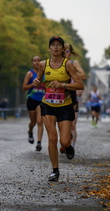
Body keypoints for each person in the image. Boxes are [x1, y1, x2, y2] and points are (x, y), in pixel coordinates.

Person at [33, 36, 84, 182]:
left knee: (64, 141)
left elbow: (80, 85)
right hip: (48, 104)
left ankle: (68, 147)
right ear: (49, 48)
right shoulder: (43, 64)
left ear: (62, 49)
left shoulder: (68, 65)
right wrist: (37, 81)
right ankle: (55, 170)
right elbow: (39, 80)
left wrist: (63, 85)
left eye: (58, 45)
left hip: (65, 105)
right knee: (52, 138)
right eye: (53, 45)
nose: (55, 47)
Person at [61, 43, 86, 150]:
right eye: (64, 51)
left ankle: (71, 145)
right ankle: (65, 143)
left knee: (72, 125)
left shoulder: (74, 63)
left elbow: (83, 76)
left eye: (68, 51)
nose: (66, 53)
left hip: (72, 95)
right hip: (61, 95)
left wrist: (72, 72)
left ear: (70, 53)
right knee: (62, 123)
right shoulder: (58, 63)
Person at [22, 56, 45, 151]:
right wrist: (33, 84)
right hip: (32, 99)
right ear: (32, 63)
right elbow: (23, 88)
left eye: (38, 60)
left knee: (40, 121)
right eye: (35, 61)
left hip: (41, 100)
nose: (37, 62)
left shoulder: (45, 74)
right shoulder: (30, 74)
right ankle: (30, 131)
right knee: (33, 122)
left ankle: (39, 142)